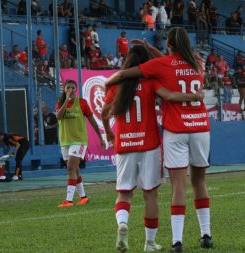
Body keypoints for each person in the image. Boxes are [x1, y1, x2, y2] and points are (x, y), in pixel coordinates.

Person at [105, 27, 213, 252]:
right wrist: (195, 96)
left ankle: (177, 241)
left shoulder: (160, 66)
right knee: (198, 182)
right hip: (199, 127)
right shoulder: (198, 63)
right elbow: (173, 72)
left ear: (169, 44)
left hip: (171, 131)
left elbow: (131, 74)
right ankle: (205, 234)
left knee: (177, 186)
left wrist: (109, 83)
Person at [55, 80, 105, 208]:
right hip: (65, 141)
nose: (70, 90)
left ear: (76, 89)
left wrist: (100, 137)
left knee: (70, 168)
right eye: (68, 87)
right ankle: (83, 197)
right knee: (75, 170)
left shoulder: (82, 103)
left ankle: (69, 200)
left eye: (73, 87)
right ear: (64, 89)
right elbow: (58, 117)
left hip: (79, 140)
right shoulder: (60, 103)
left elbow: (93, 121)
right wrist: (66, 100)